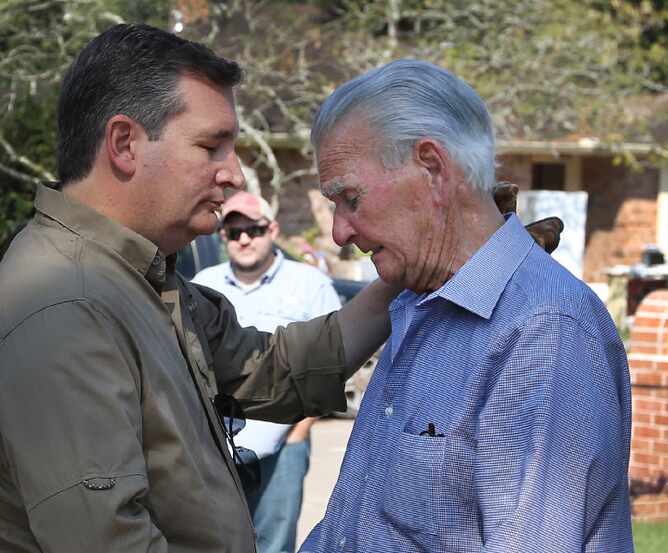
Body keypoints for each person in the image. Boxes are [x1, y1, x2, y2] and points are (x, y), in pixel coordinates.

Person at [0, 24, 398, 553]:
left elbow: (272, 370)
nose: (233, 175)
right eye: (212, 146)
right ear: (124, 144)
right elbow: (107, 543)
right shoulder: (66, 303)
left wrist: (404, 275)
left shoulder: (138, 277)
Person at [300, 60, 633, 552]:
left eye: (350, 198)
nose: (339, 233)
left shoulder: (543, 333)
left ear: (432, 168)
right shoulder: (420, 301)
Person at [192, 191, 342, 553]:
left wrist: (300, 429)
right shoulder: (203, 284)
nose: (244, 238)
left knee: (273, 544)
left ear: (272, 229)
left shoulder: (309, 283)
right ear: (223, 237)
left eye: (254, 229)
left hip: (283, 446)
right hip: (214, 450)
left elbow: (332, 363)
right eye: (234, 231)